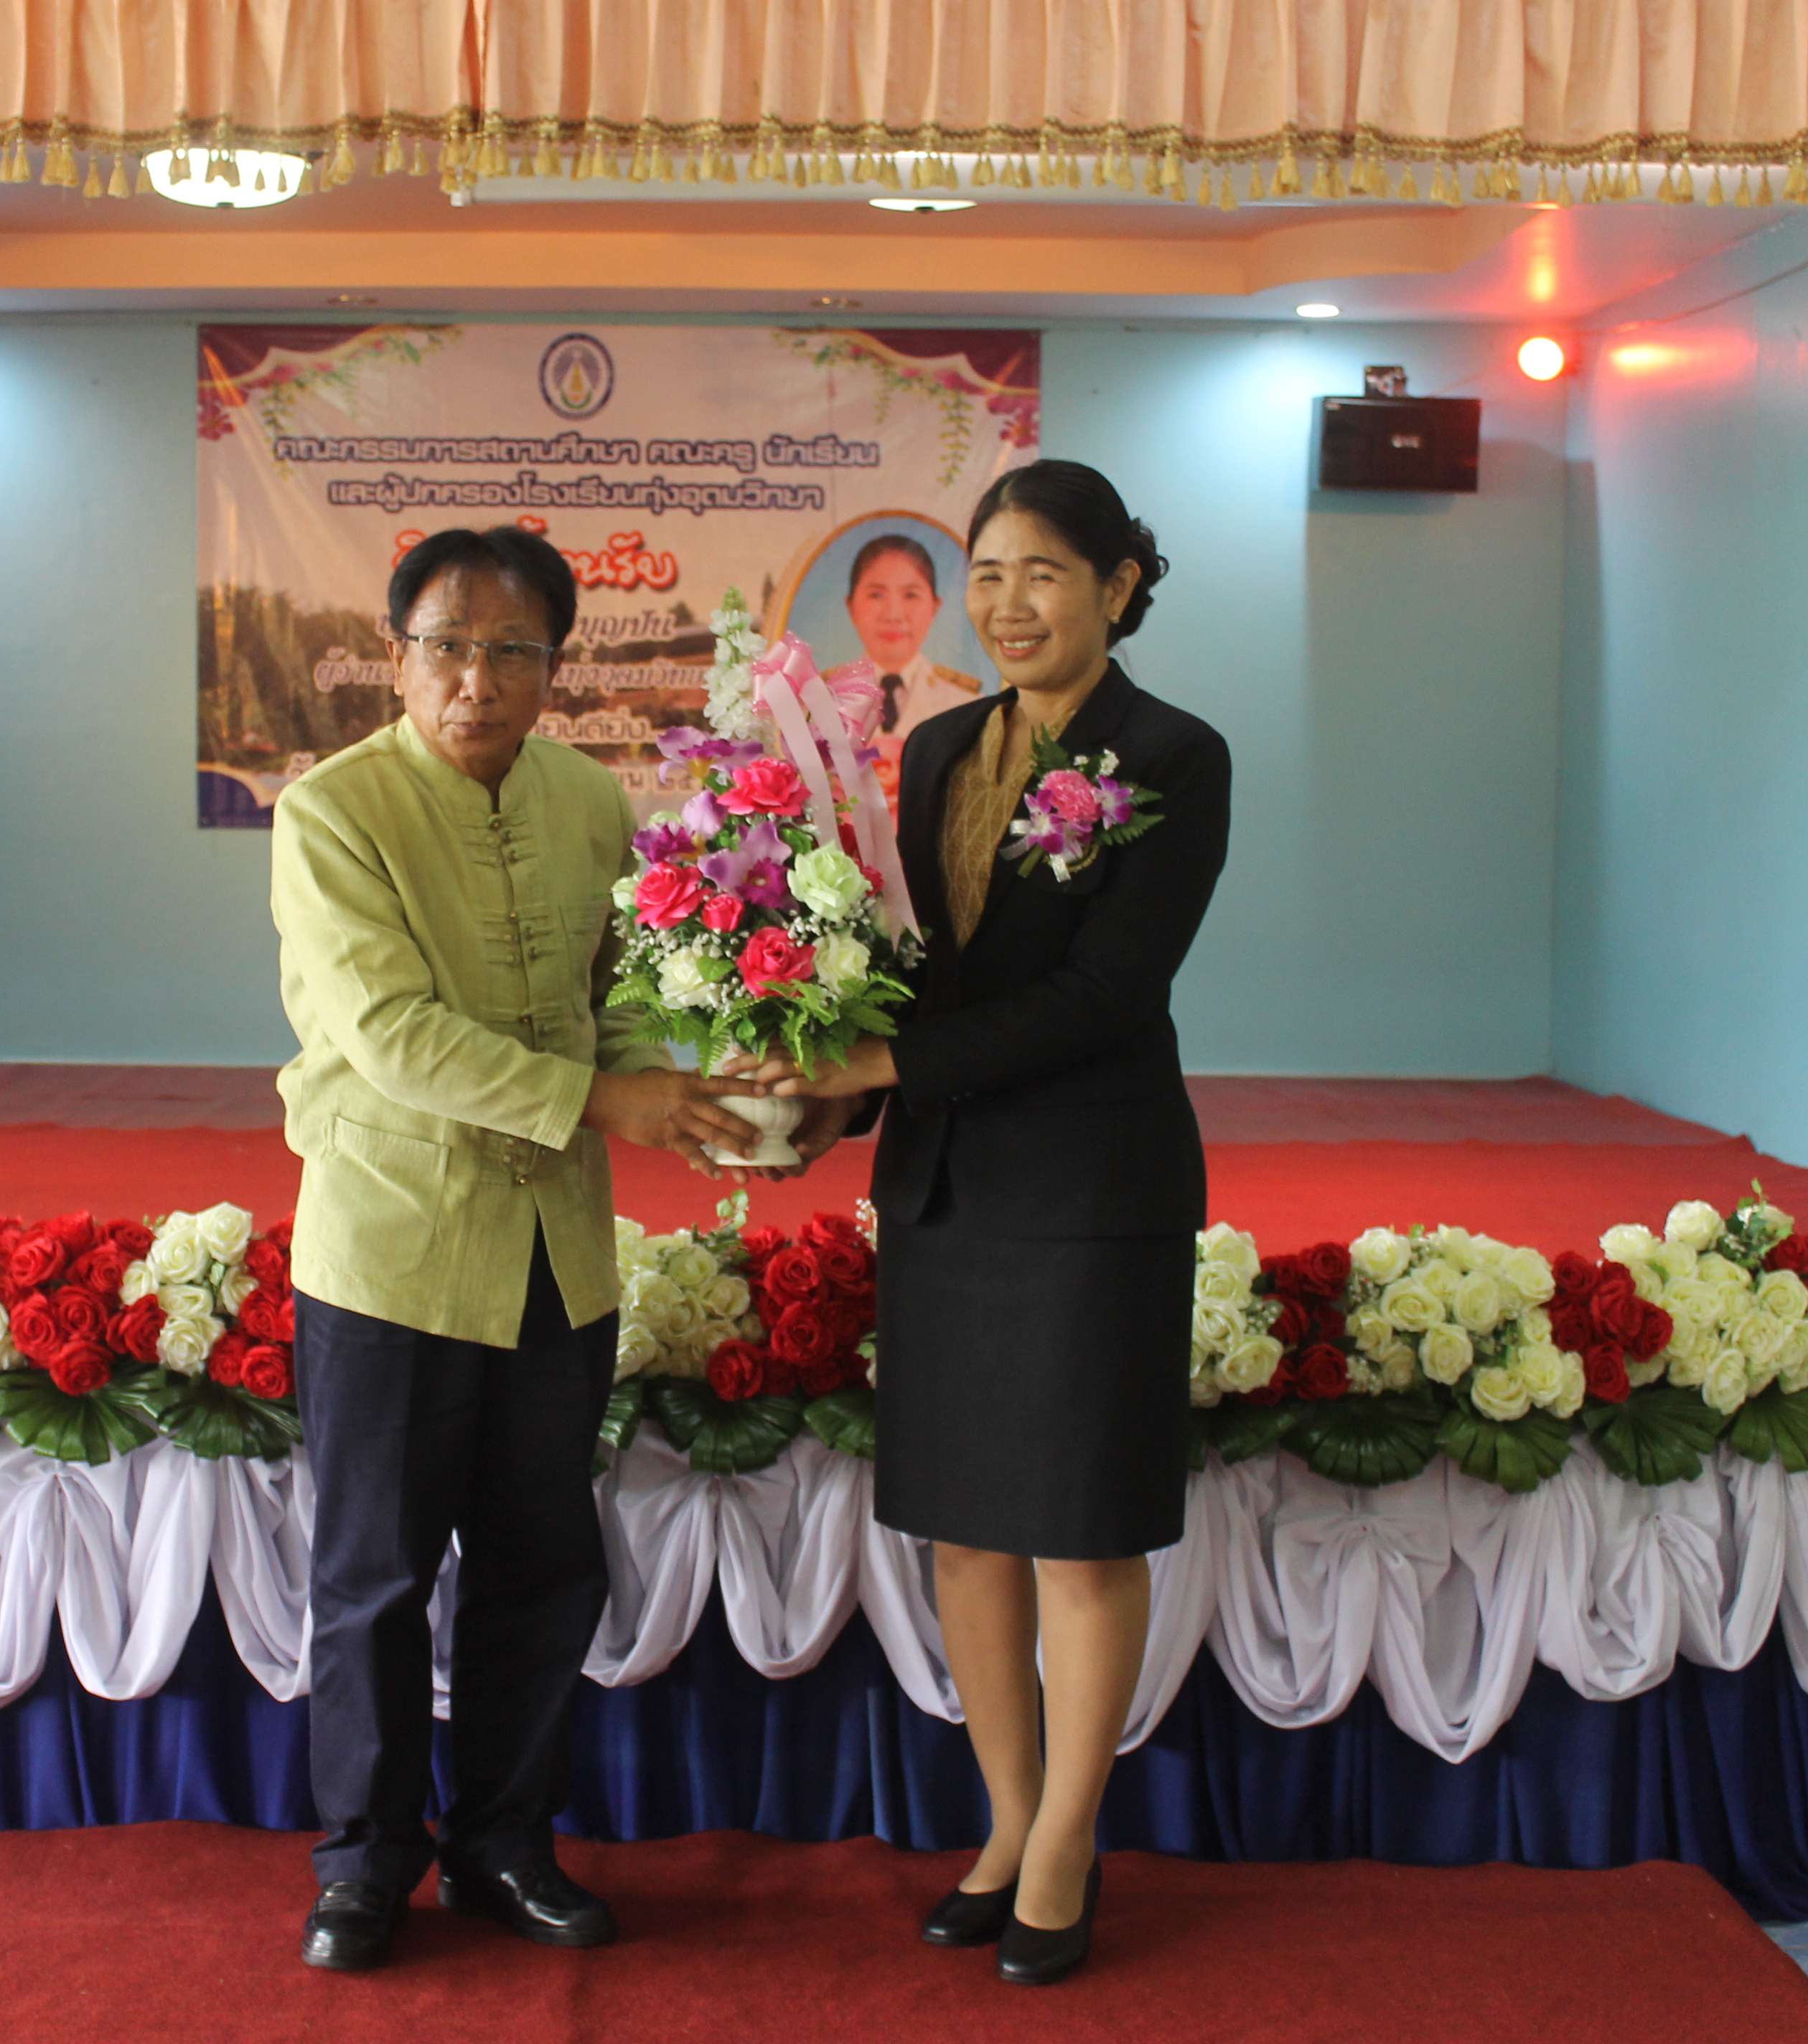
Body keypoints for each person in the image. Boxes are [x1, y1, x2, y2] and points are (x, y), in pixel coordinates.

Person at [270, 524, 772, 1974]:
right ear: (395, 654)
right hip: (394, 1250)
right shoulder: (333, 812)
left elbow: (616, 1001)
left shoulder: (589, 803)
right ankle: (364, 1863)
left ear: (557, 667)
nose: (474, 680)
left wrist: (706, 1089)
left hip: (558, 1253)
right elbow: (392, 1034)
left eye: (510, 652)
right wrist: (611, 1101)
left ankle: (503, 1841)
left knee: (540, 1568)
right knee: (374, 1576)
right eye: (445, 646)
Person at [768, 460, 1231, 1987]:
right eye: (987, 573)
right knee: (966, 1529)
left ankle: (1069, 1841)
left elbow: (1109, 992)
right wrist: (819, 1089)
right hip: (949, 1187)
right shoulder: (938, 748)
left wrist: (884, 1067)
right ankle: (1007, 1817)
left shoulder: (1172, 754)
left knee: (1080, 1533)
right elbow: (921, 978)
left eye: (1042, 572)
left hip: (1091, 1192)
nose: (1008, 603)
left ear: (1118, 585)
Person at [835, 533, 986, 747]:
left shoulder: (968, 704)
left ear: (935, 607)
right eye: (876, 595)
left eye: (911, 595)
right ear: (851, 606)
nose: (893, 615)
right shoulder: (821, 701)